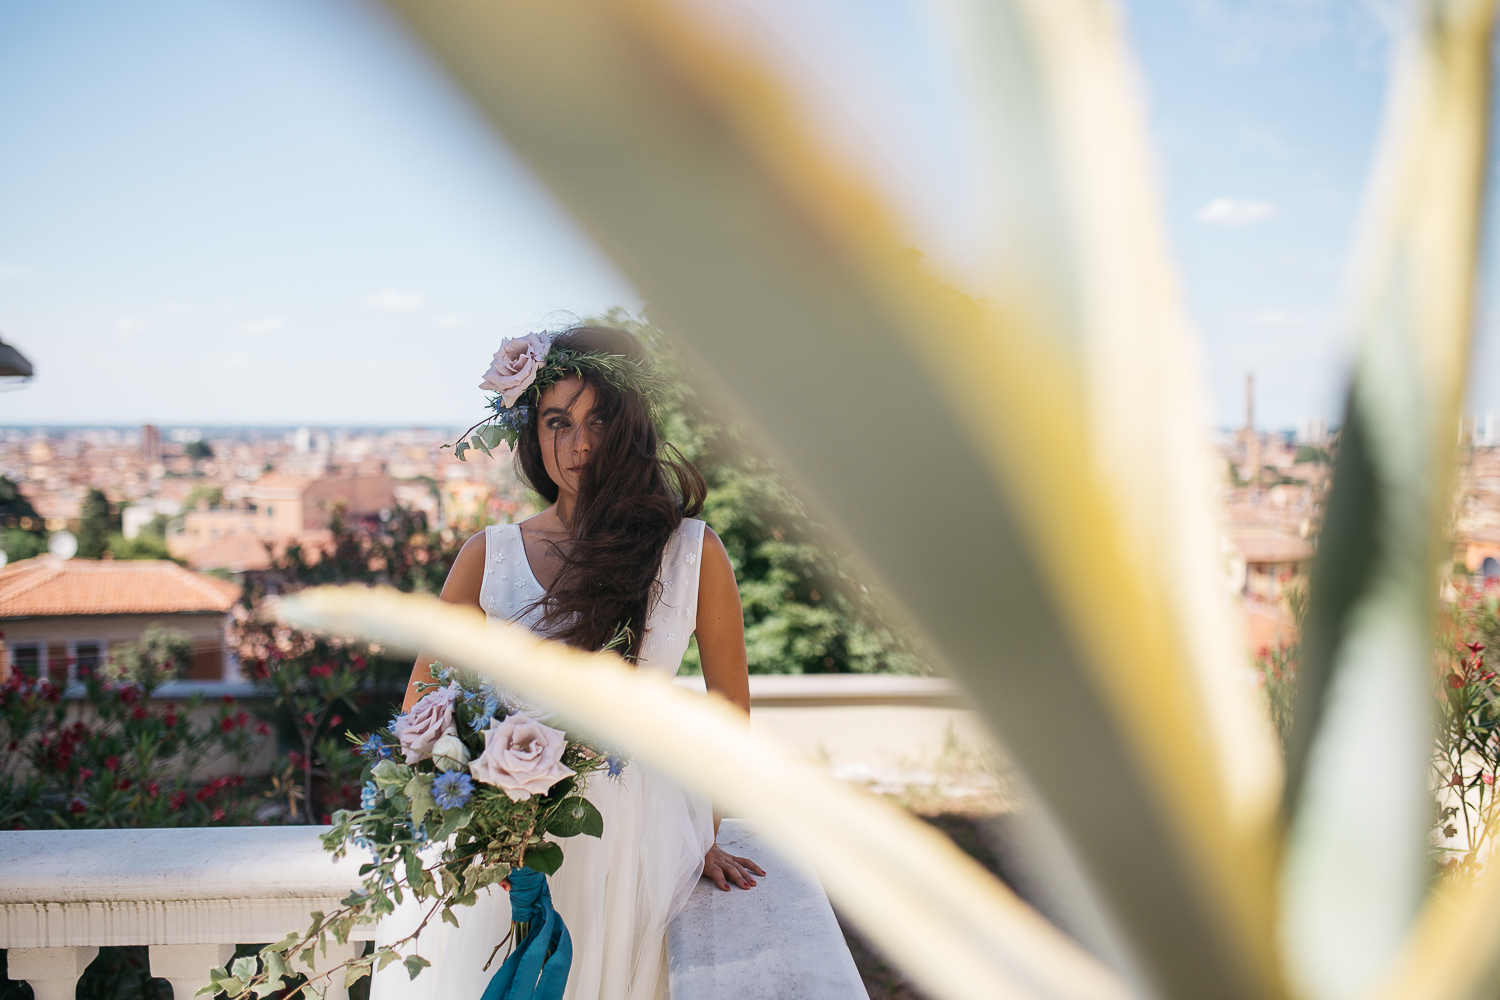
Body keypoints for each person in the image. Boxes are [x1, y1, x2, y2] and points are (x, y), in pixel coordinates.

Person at [370, 326, 764, 1000]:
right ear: (533, 433)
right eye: (558, 421)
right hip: (506, 848)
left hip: (638, 835)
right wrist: (481, 824)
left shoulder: (693, 553)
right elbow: (421, 711)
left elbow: (729, 707)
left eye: (599, 420)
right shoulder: (484, 558)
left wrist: (703, 835)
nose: (579, 443)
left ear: (630, 428)